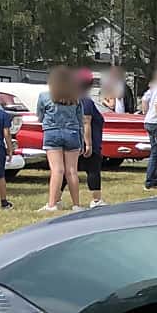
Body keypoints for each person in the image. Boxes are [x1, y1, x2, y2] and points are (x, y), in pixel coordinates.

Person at [35, 65, 84, 212]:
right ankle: (76, 205)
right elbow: (80, 120)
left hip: (52, 132)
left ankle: (52, 204)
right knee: (72, 171)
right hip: (72, 133)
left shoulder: (44, 96)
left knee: (57, 170)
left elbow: (40, 116)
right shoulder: (75, 97)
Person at [76, 68, 107, 208]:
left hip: (74, 141)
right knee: (93, 170)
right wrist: (88, 144)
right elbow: (86, 121)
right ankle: (96, 200)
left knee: (68, 171)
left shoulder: (71, 99)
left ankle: (56, 198)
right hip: (89, 140)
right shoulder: (85, 101)